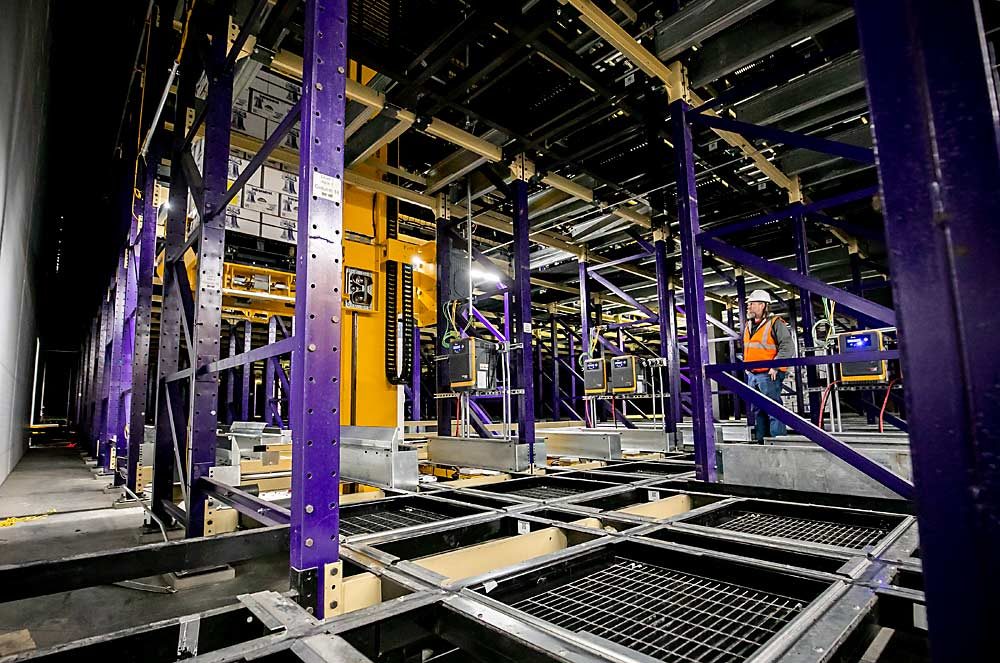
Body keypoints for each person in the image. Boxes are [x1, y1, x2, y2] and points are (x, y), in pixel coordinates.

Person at [743, 289, 795, 443]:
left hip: (769, 373)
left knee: (773, 409)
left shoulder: (775, 323)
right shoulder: (749, 325)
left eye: (751, 304)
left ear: (762, 305)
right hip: (753, 374)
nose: (749, 307)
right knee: (758, 410)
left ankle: (778, 442)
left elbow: (787, 346)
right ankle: (762, 443)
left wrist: (776, 366)